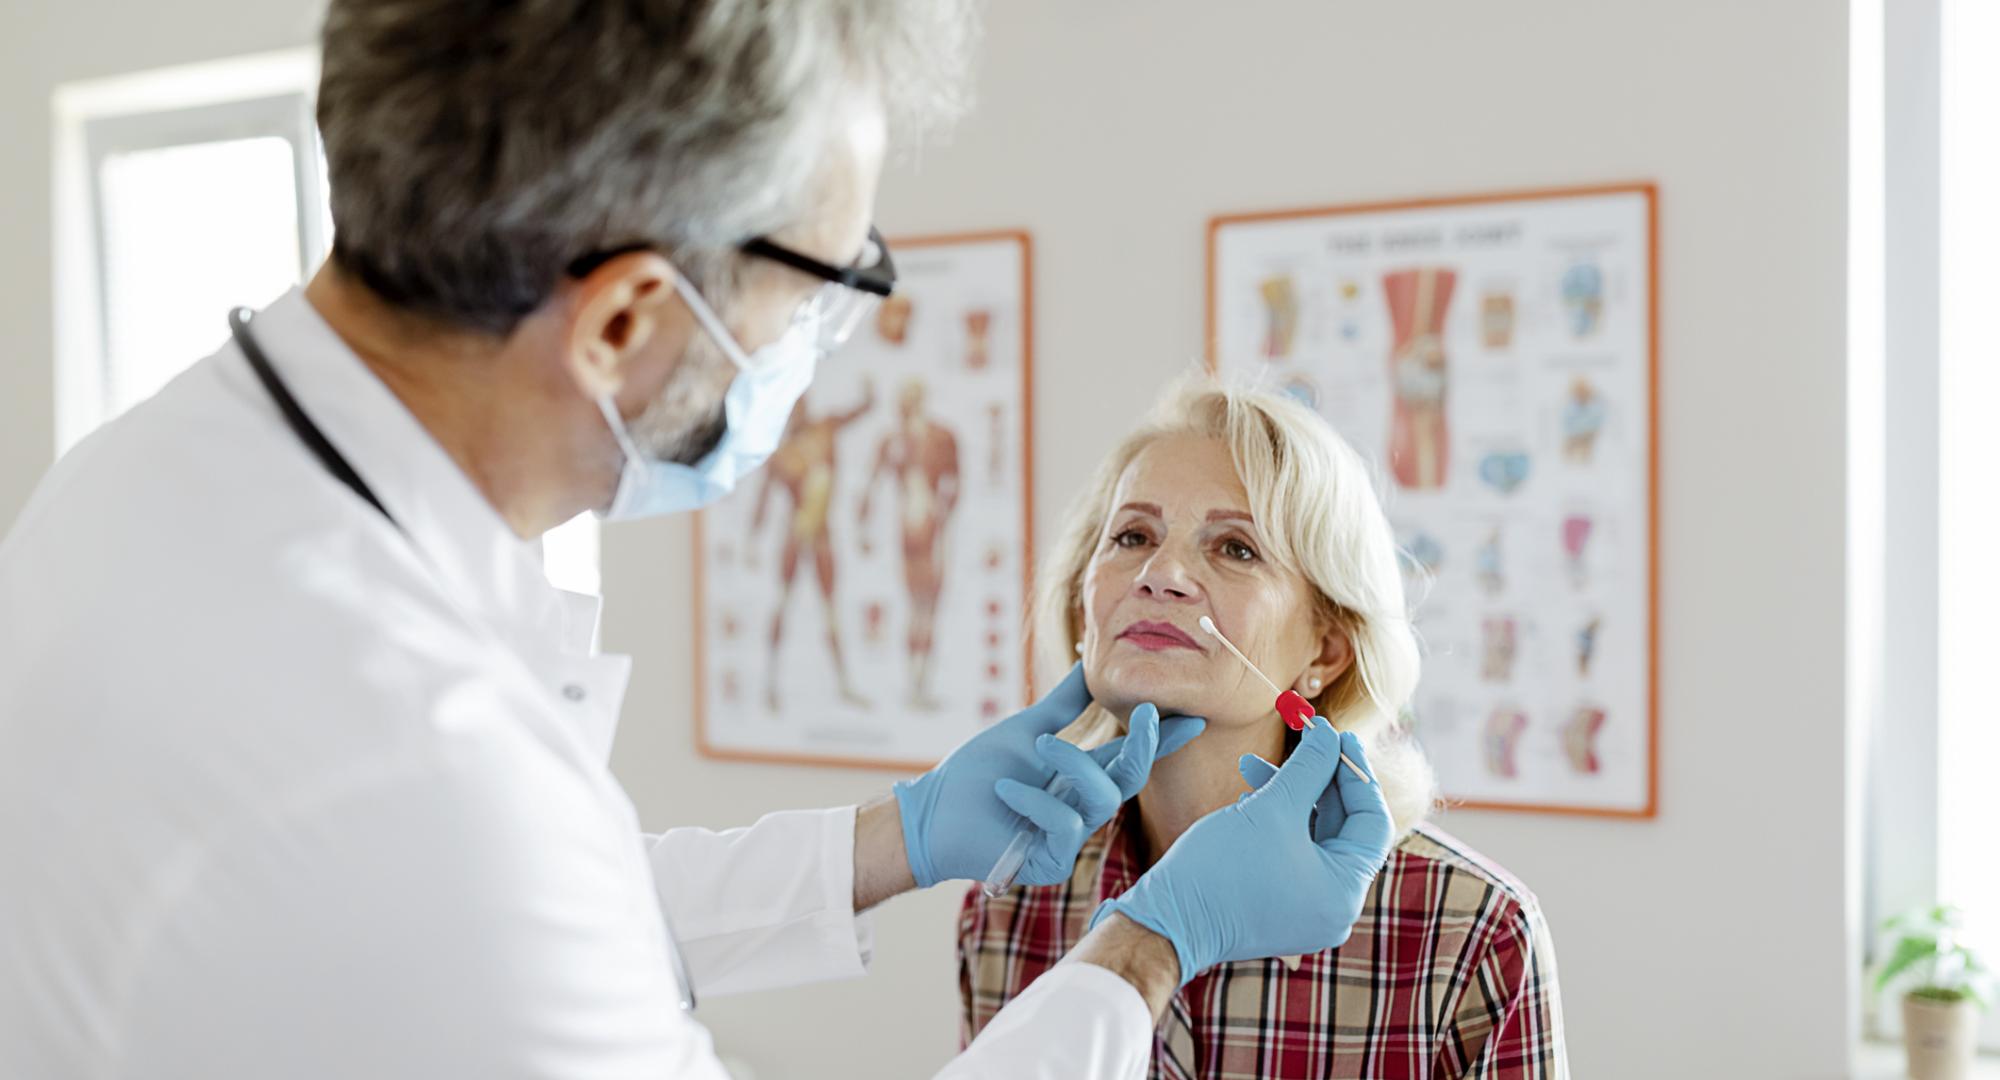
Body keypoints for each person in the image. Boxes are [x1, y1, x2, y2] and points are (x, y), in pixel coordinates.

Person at [0, 4, 1400, 1078]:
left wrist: (894, 841)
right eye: (817, 291)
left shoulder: (136, 480)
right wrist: (1150, 948)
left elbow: (546, 914)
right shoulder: (421, 775)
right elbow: (496, 893)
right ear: (624, 322)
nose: (808, 355)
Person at [959, 380, 1568, 1077]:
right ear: (1081, 607)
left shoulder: (1469, 932)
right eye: (1133, 536)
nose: (1161, 575)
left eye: (1236, 548)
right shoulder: (1009, 903)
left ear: (1326, 652)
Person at [750, 384, 876, 710]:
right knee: (782, 603)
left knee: (830, 608)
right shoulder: (782, 456)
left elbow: (857, 411)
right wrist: (752, 541)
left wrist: (869, 393)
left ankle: (843, 683)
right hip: (795, 534)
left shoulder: (825, 431)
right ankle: (769, 682)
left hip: (821, 535)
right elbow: (762, 502)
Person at [858, 376, 961, 709]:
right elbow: (870, 487)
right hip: (914, 527)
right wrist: (864, 529)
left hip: (930, 524)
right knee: (920, 606)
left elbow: (954, 482)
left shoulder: (940, 437)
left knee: (928, 605)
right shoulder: (894, 441)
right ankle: (915, 685)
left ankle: (919, 684)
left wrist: (942, 513)